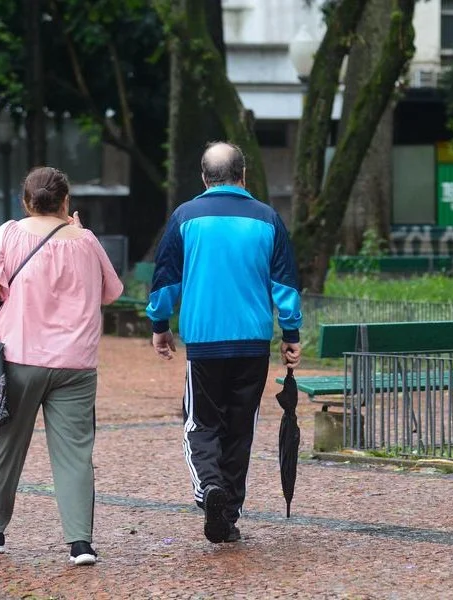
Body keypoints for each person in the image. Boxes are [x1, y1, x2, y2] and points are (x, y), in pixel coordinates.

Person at [0, 166, 123, 566]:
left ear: (26, 202)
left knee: (9, 446)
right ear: (66, 202)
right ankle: (80, 543)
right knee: (75, 453)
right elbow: (111, 293)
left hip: (20, 358)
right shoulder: (87, 240)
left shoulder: (8, 233)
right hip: (77, 363)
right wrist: (78, 234)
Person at [147, 141, 302, 544]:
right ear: (243, 176)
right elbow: (285, 284)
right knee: (239, 429)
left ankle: (209, 488)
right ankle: (228, 514)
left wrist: (160, 324)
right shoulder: (268, 218)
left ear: (204, 177)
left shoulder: (185, 217)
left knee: (200, 423)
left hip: (205, 341)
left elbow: (165, 280)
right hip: (252, 342)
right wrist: (291, 333)